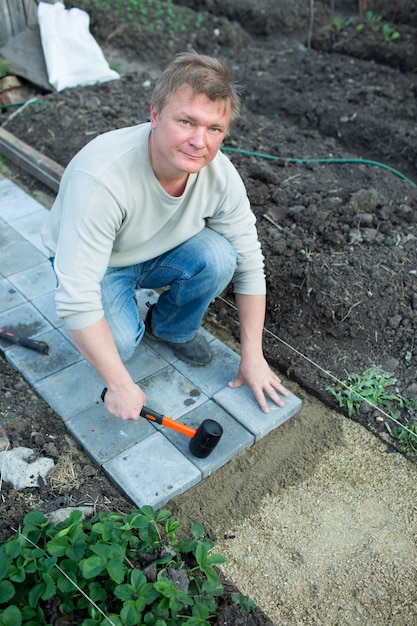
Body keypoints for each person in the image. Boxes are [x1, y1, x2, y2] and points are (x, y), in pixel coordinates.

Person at [42, 50, 289, 420]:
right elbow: (77, 299)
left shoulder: (220, 176)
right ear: (155, 115)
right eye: (187, 121)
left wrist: (252, 357)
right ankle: (125, 319)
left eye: (214, 129)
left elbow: (251, 265)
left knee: (222, 256)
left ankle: (170, 328)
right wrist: (121, 385)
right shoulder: (102, 180)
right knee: (120, 345)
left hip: (156, 249)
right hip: (103, 264)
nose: (199, 141)